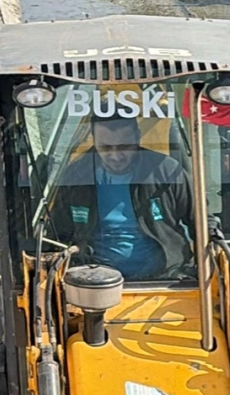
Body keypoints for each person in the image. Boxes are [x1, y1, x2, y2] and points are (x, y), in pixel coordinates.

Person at [46, 114, 194, 281]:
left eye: (124, 147)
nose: (116, 156)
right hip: (94, 281)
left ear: (138, 138)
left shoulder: (166, 172)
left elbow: (200, 221)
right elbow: (58, 232)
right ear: (93, 141)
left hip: (165, 277)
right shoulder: (76, 176)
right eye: (106, 148)